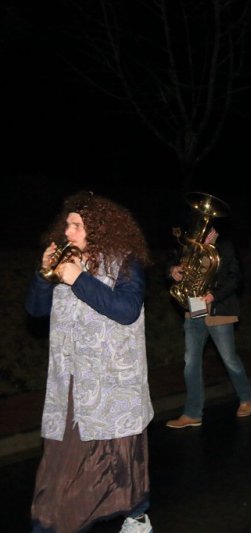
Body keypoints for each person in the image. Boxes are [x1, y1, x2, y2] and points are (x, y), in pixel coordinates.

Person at [25, 191, 154, 533]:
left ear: (98, 229)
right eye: (67, 224)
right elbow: (35, 310)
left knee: (122, 457)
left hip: (112, 383)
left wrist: (79, 279)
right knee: (60, 468)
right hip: (69, 382)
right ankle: (51, 525)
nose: (67, 232)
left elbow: (126, 310)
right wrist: (43, 275)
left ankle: (136, 514)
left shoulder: (124, 263)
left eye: (77, 226)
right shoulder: (62, 263)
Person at [166, 214, 251, 428]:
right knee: (191, 362)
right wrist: (173, 270)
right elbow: (173, 261)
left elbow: (235, 277)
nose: (198, 225)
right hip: (194, 307)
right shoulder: (191, 245)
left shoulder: (224, 245)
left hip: (218, 308)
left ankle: (245, 398)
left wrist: (214, 295)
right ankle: (192, 413)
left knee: (229, 359)